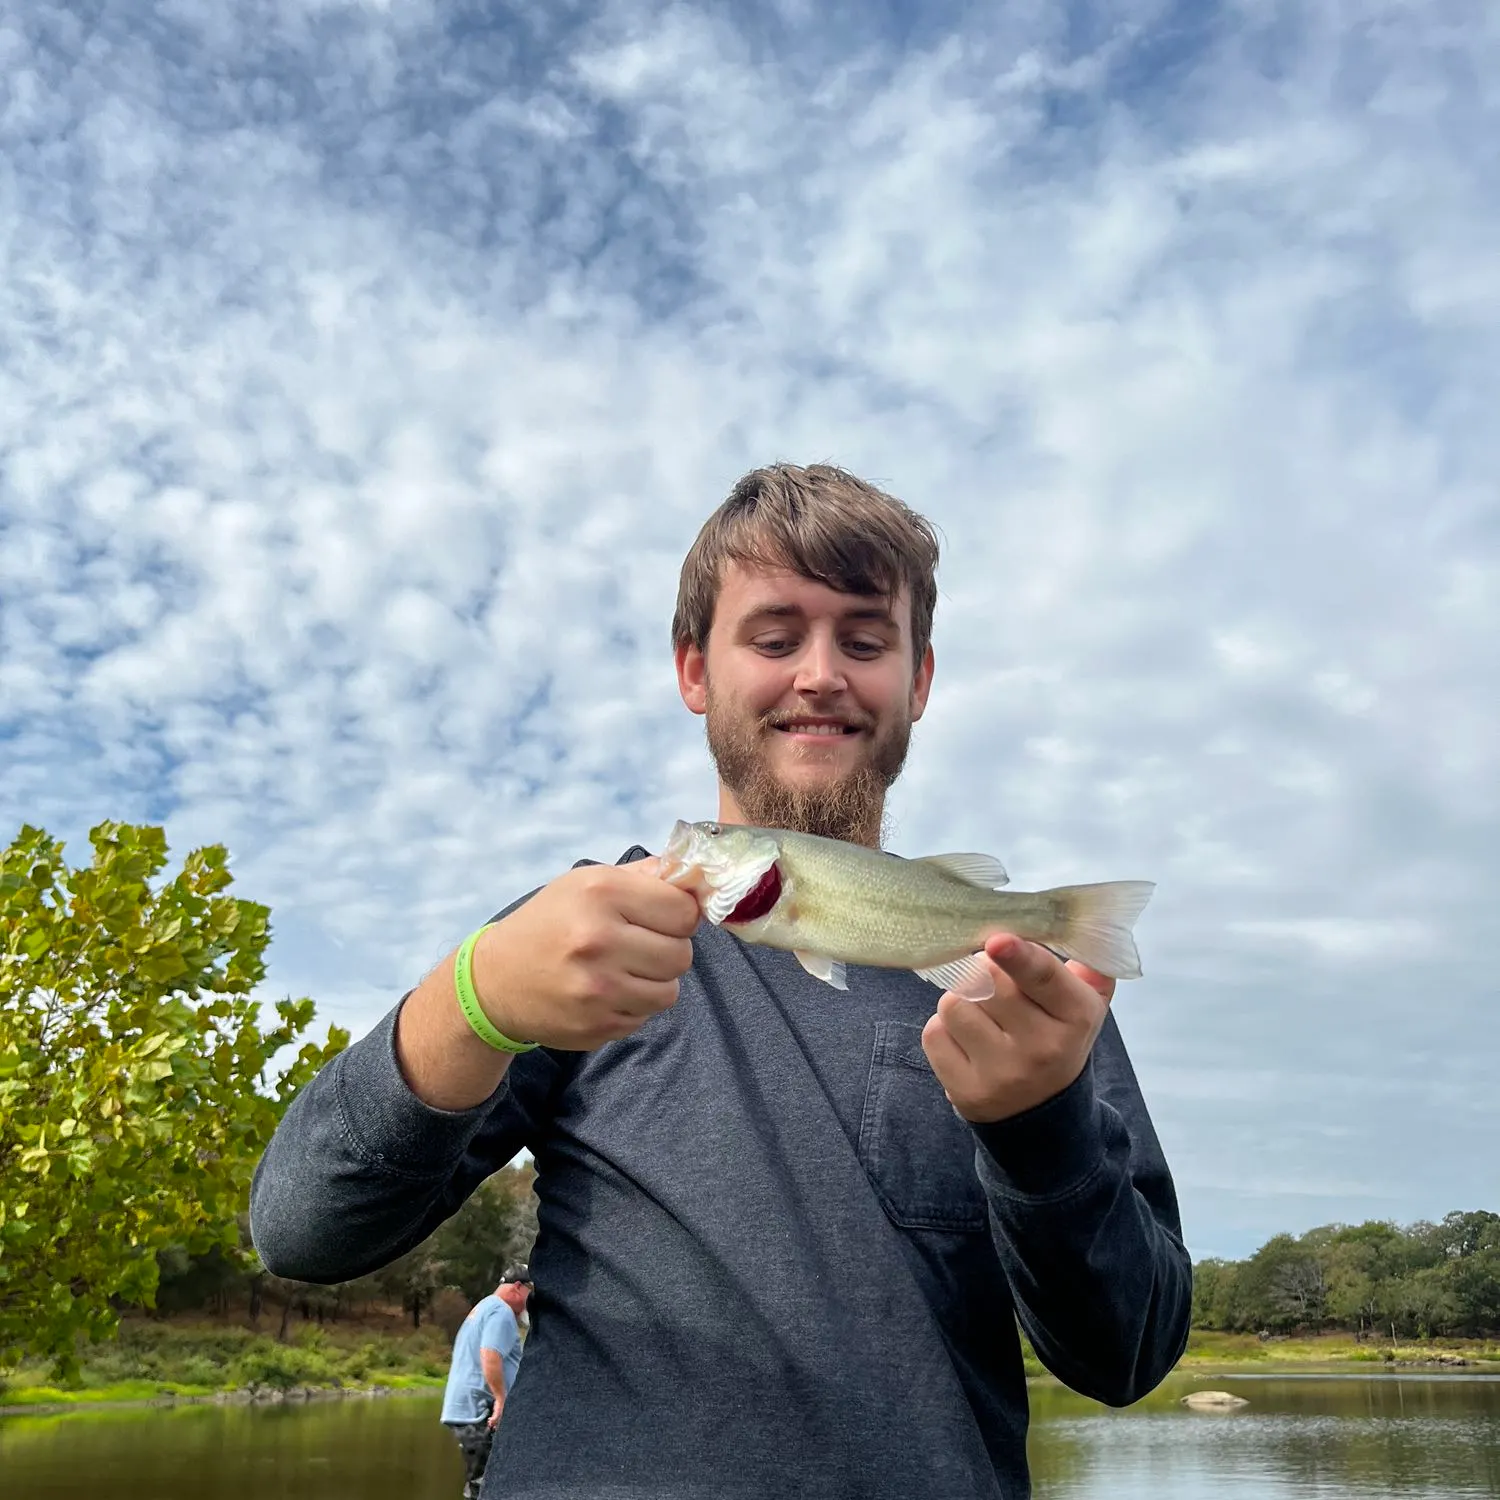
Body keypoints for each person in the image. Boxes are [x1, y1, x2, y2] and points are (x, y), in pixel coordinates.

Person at [251, 463, 1193, 1499]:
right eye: (775, 637)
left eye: (867, 641)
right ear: (695, 670)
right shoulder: (571, 938)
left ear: (919, 682)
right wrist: (469, 996)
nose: (822, 674)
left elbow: (1126, 1357)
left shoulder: (1023, 993)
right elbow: (303, 1231)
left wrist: (1040, 1129)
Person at [440, 1266, 532, 1499]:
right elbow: (489, 1354)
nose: (530, 1302)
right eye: (530, 1293)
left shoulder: (483, 1307)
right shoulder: (501, 1311)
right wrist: (501, 1399)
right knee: (486, 1485)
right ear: (518, 1288)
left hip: (468, 1410)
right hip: (480, 1412)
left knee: (481, 1483)